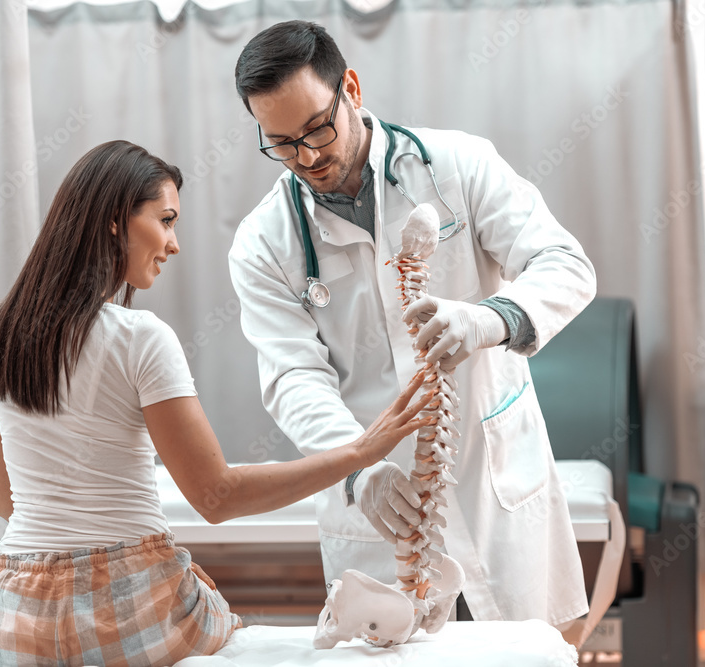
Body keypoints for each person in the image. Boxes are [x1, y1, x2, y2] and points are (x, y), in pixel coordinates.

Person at [0, 140, 433, 666]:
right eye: (165, 221)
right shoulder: (140, 337)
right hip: (128, 614)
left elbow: (5, 504)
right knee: (217, 614)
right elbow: (216, 497)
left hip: (10, 618)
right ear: (117, 220)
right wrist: (361, 452)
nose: (173, 244)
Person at [228, 21, 595, 630]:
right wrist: (357, 467)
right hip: (378, 511)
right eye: (283, 143)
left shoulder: (458, 165)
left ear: (350, 87)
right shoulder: (264, 242)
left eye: (318, 127)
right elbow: (293, 377)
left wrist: (490, 319)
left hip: (491, 484)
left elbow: (565, 264)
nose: (309, 156)